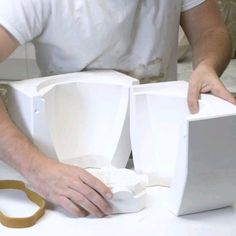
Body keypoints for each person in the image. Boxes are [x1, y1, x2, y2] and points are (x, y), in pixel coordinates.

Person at [0, 0, 235, 218]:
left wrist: (207, 65)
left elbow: (210, 30)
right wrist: (37, 169)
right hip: (65, 165)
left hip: (162, 150)